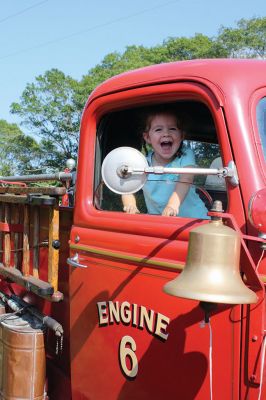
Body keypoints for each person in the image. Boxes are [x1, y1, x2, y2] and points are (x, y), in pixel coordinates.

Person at [122, 105, 209, 219]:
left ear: (181, 135)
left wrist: (172, 206)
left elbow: (186, 179)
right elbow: (127, 185)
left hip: (193, 220)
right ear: (147, 137)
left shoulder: (185, 155)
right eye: (158, 129)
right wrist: (130, 205)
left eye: (172, 129)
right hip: (162, 222)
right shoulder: (143, 163)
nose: (166, 134)